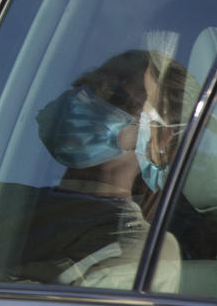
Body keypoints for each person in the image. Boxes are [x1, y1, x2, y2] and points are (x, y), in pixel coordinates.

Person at [21, 49, 192, 289]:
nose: (86, 100)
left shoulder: (140, 248)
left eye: (116, 97)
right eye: (89, 86)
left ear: (158, 139)